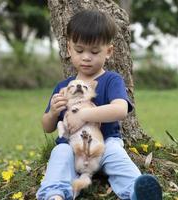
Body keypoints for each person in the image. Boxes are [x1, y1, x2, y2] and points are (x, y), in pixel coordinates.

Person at [36, 9, 162, 200]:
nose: (86, 57)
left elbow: (120, 110)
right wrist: (53, 112)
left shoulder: (111, 80)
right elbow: (47, 127)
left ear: (109, 51)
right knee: (59, 154)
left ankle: (136, 192)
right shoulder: (63, 87)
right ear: (69, 49)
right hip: (72, 148)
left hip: (105, 144)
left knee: (118, 156)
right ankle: (54, 195)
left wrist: (83, 115)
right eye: (79, 50)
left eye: (94, 51)